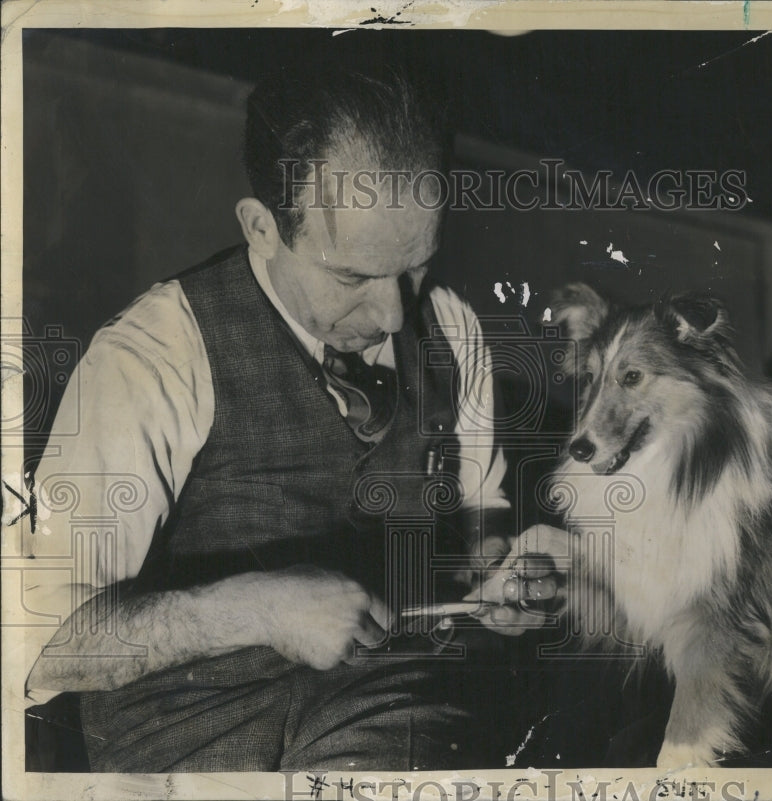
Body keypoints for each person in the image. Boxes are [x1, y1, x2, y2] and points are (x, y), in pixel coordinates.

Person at [23, 61, 559, 773]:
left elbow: (477, 525)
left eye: (416, 267)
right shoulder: (153, 356)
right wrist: (251, 610)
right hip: (185, 744)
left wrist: (502, 579)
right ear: (262, 229)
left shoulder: (452, 333)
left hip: (385, 713)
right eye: (353, 277)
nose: (394, 313)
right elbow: (42, 641)